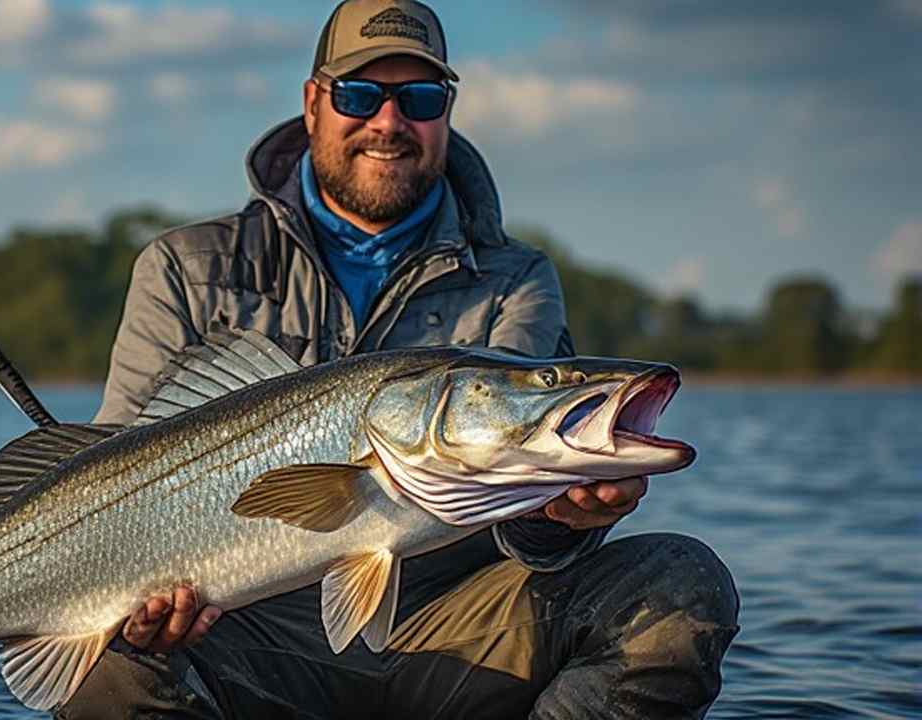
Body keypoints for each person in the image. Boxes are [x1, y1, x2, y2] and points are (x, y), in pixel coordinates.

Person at [67, 1, 738, 717]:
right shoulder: (184, 266)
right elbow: (108, 476)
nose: (388, 123)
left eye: (419, 99)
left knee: (678, 590)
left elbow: (516, 487)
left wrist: (560, 516)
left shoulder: (517, 280)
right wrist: (136, 611)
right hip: (242, 630)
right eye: (360, 95)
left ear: (445, 111)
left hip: (460, 626)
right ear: (313, 103)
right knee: (100, 663)